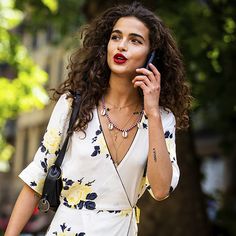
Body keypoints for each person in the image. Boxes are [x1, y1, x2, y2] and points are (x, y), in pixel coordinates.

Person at [5, 2, 191, 235]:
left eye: (135, 40)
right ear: (106, 45)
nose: (121, 46)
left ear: (152, 56)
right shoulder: (73, 105)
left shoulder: (161, 119)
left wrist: (152, 112)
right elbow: (36, 179)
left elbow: (161, 189)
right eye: (116, 37)